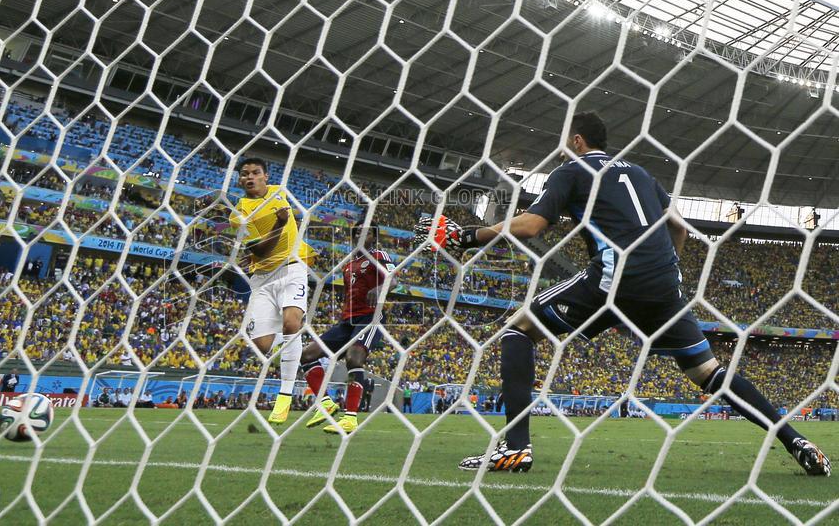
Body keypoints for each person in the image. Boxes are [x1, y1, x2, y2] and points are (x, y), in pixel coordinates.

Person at [416, 112, 830, 476]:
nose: (561, 150)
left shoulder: (573, 170)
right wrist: (665, 278)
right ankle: (797, 442)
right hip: (665, 286)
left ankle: (515, 448)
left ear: (578, 141)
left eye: (565, 141)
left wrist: (469, 236)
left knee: (517, 331)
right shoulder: (641, 173)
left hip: (614, 279)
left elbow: (530, 226)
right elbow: (680, 229)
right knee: (709, 374)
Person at [229, 158, 315, 425]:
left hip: (292, 268)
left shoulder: (280, 192)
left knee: (292, 323)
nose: (250, 177)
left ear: (266, 176)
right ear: (240, 180)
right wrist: (278, 224)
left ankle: (285, 395)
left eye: (256, 172)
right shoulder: (238, 215)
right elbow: (260, 251)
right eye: (245, 174)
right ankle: (299, 347)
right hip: (262, 278)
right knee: (261, 345)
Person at [301, 217, 395, 434]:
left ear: (374, 237)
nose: (362, 235)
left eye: (367, 233)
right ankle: (325, 403)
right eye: (358, 232)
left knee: (354, 359)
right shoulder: (350, 263)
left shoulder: (379, 256)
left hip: (370, 318)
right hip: (347, 322)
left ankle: (350, 417)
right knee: (306, 355)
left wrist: (380, 289)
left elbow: (394, 280)